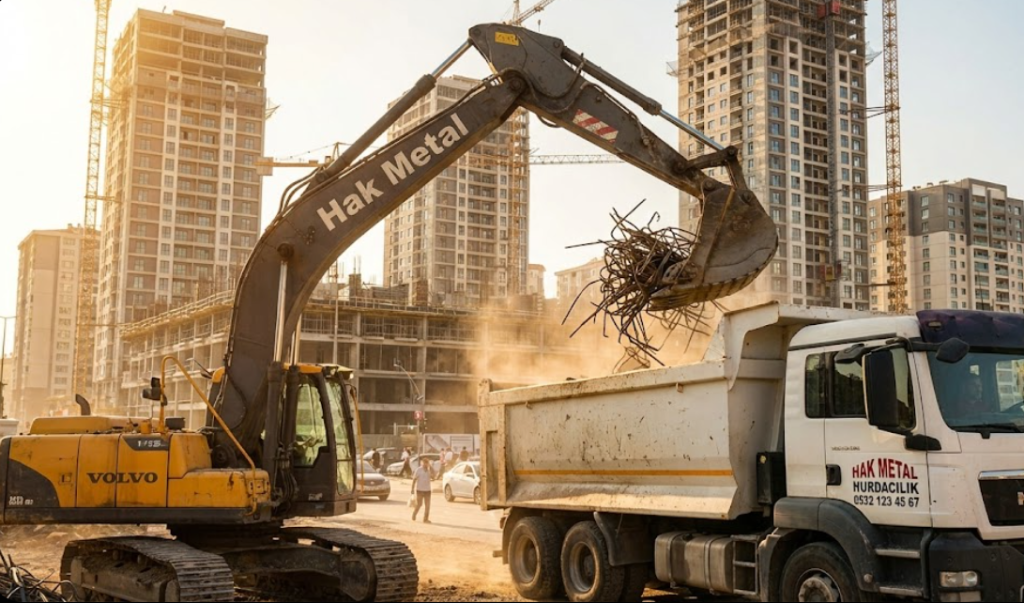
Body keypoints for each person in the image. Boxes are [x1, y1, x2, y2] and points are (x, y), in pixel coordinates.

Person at [411, 457, 434, 524]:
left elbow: (433, 477)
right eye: (425, 463)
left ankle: (425, 519)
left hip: (427, 490)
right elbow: (414, 479)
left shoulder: (429, 470)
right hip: (420, 490)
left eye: (427, 463)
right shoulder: (418, 470)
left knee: (427, 505)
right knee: (419, 504)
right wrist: (412, 489)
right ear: (422, 463)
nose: (426, 465)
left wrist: (431, 468)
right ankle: (414, 513)